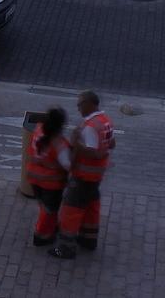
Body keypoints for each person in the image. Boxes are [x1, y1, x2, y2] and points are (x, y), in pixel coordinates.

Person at [50, 91, 115, 260]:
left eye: (80, 105)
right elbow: (112, 144)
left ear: (89, 104)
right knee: (91, 208)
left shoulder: (91, 127)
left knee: (70, 211)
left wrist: (76, 143)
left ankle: (66, 248)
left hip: (84, 177)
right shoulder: (105, 121)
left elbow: (93, 153)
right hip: (96, 177)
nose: (78, 108)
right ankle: (88, 239)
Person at [25, 107, 71, 247]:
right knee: (49, 211)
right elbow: (68, 165)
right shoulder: (59, 144)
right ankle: (42, 236)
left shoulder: (39, 129)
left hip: (34, 179)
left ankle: (48, 229)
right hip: (51, 184)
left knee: (44, 208)